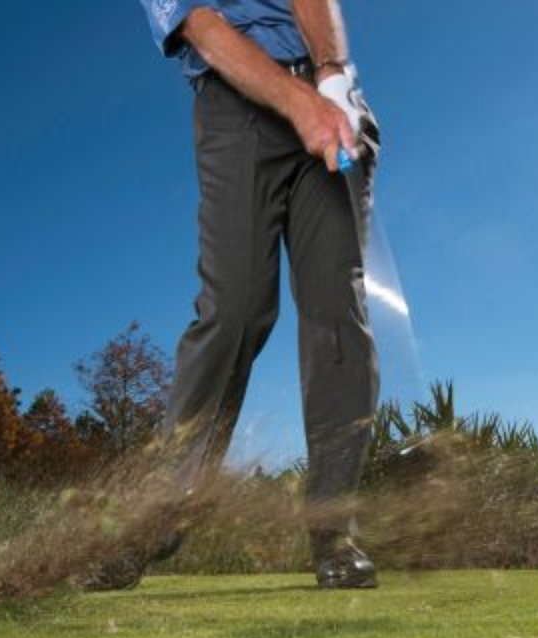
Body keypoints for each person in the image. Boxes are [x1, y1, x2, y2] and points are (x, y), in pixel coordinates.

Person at [92, 0, 382, 591]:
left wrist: (333, 78)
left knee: (338, 315)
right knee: (235, 314)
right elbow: (204, 29)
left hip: (325, 99)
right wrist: (301, 103)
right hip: (237, 109)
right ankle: (154, 517)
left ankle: (334, 531)